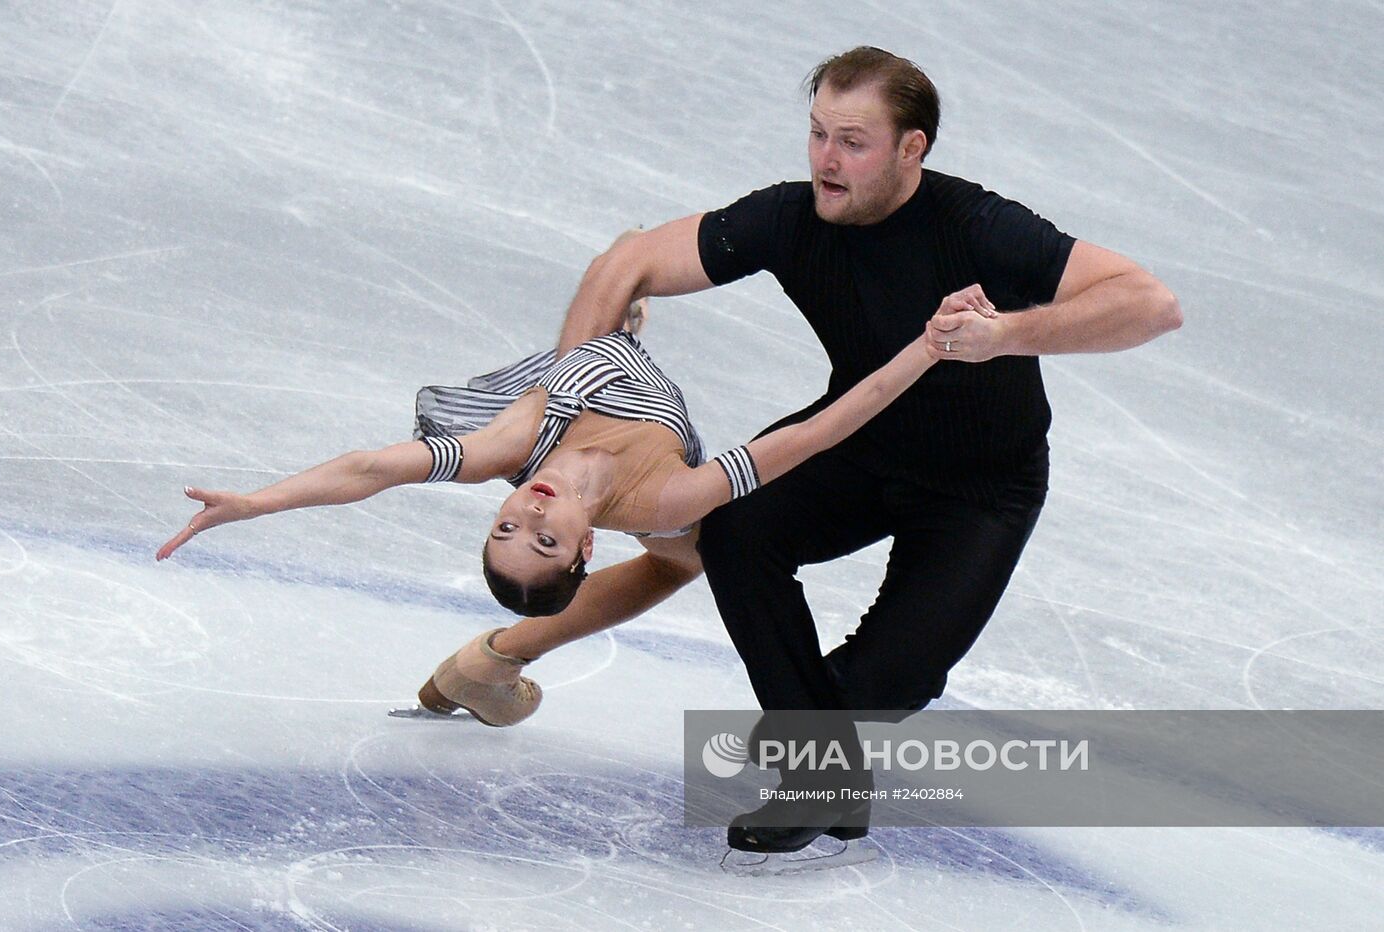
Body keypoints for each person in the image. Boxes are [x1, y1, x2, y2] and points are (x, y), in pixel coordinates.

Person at [549, 47, 1182, 853]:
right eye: (817, 134)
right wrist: (566, 421)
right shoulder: (789, 217)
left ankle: (823, 753)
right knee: (736, 527)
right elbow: (628, 261)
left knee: (889, 686)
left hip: (982, 487)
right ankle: (820, 775)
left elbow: (1150, 304)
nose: (825, 160)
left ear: (911, 149)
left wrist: (1007, 335)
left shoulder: (978, 225)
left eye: (852, 140)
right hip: (856, 441)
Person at [156, 254, 960, 727]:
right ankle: (496, 659)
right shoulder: (667, 500)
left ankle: (494, 660)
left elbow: (371, 469)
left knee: (618, 272)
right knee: (695, 559)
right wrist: (925, 350)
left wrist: (256, 503)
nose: (528, 512)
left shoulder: (509, 447)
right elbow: (813, 436)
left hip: (582, 358)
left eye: (506, 528)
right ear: (586, 544)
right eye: (544, 538)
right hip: (636, 417)